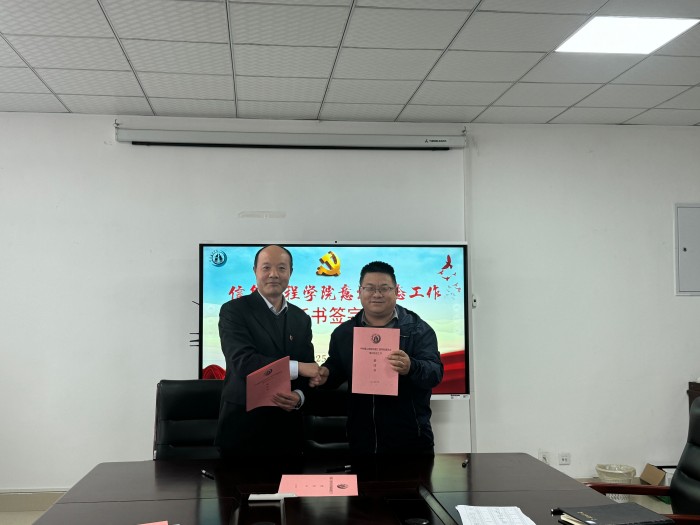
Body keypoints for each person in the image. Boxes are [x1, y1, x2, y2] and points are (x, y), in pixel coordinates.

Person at [311, 261, 443, 455]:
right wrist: (326, 375)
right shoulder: (344, 333)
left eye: (384, 288)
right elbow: (337, 368)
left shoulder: (418, 330)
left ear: (396, 291)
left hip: (411, 441)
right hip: (362, 440)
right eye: (370, 288)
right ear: (359, 292)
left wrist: (411, 366)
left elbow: (435, 373)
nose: (377, 294)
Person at [215, 244, 320, 458]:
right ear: (255, 271)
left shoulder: (301, 318)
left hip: (288, 432)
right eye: (266, 268)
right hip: (243, 431)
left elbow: (308, 370)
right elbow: (243, 362)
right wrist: (298, 368)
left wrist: (299, 396)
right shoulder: (233, 311)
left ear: (290, 272)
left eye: (281, 268)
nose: (274, 274)